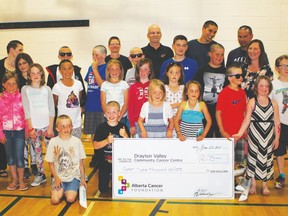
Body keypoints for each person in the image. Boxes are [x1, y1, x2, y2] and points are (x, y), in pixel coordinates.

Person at [233, 75, 280, 196]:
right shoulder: (252, 102)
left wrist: (277, 139)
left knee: (267, 160)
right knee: (253, 159)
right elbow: (247, 120)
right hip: (254, 136)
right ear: (256, 87)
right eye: (261, 85)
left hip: (269, 137)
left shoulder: (274, 104)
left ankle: (264, 185)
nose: (264, 88)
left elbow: (277, 122)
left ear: (269, 88)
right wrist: (239, 133)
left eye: (266, 86)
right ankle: (253, 184)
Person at [21, 63, 55, 187]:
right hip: (34, 127)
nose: (35, 75)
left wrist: (51, 127)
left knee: (51, 152)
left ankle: (53, 174)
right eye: (33, 73)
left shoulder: (47, 89)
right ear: (29, 75)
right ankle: (41, 174)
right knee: (37, 153)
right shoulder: (25, 89)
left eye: (38, 73)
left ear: (41, 75)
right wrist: (30, 128)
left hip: (47, 126)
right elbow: (26, 110)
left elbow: (51, 109)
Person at [45, 115, 87, 204]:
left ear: (72, 127)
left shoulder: (77, 141)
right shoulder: (53, 142)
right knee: (55, 200)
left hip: (73, 177)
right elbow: (50, 163)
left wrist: (83, 178)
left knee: (70, 199)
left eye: (68, 125)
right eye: (62, 126)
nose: (66, 128)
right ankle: (61, 190)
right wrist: (56, 179)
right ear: (57, 128)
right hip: (58, 178)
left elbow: (80, 163)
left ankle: (72, 189)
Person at [93, 101, 130, 193]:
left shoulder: (123, 127)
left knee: (120, 189)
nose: (111, 115)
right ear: (105, 114)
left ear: (119, 113)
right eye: (108, 112)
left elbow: (129, 147)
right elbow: (95, 146)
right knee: (103, 190)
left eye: (114, 112)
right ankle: (108, 177)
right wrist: (106, 141)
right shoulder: (100, 128)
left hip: (119, 163)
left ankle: (114, 177)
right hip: (104, 163)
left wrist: (125, 136)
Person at [0, 72, 27, 191]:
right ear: (3, 85)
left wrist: (26, 129)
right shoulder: (1, 99)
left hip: (19, 131)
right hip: (6, 132)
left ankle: (21, 180)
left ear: (17, 84)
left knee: (19, 157)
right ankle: (14, 179)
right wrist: (0, 133)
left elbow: (26, 114)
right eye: (8, 84)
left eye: (14, 84)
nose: (11, 87)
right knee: (10, 158)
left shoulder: (22, 97)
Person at [0, 40, 23, 177]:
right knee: (4, 140)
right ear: (11, 50)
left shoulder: (20, 66)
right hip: (3, 106)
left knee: (19, 148)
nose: (21, 52)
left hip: (17, 110)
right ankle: (2, 166)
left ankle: (21, 170)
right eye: (19, 50)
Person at [216, 65, 247, 165]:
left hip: (240, 133)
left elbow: (244, 112)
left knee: (239, 161)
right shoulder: (224, 93)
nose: (241, 78)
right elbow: (218, 113)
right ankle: (228, 180)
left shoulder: (242, 92)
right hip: (228, 134)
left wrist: (245, 129)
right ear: (229, 78)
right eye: (237, 75)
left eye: (242, 75)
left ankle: (235, 180)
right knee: (228, 160)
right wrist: (222, 130)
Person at [194, 43, 226, 138]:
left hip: (221, 112)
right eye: (217, 54)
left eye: (222, 54)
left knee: (221, 137)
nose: (220, 57)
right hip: (205, 111)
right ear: (210, 54)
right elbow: (196, 89)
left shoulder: (226, 71)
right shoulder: (201, 70)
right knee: (205, 137)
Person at [83, 45, 107, 167]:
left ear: (104, 55)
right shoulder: (90, 67)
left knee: (101, 133)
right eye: (93, 54)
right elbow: (89, 83)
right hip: (91, 105)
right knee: (92, 132)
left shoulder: (107, 68)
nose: (94, 57)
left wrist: (95, 69)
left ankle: (102, 155)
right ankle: (95, 154)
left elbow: (102, 85)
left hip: (101, 105)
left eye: (96, 54)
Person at [46, 46, 86, 117]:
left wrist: (82, 107)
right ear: (59, 56)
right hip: (59, 114)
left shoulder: (76, 71)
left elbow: (81, 94)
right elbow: (50, 95)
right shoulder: (53, 72)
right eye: (62, 54)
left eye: (68, 54)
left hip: (74, 113)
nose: (65, 56)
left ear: (71, 56)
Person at [15, 53, 37, 178]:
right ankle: (25, 166)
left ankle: (34, 163)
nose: (22, 66)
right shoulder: (16, 79)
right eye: (20, 64)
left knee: (34, 139)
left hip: (33, 113)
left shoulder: (34, 77)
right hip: (19, 114)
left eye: (24, 63)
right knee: (23, 141)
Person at [52, 60, 84, 139]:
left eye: (69, 68)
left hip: (76, 123)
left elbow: (79, 99)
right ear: (60, 71)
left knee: (75, 148)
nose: (67, 71)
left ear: (73, 69)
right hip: (63, 124)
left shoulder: (78, 84)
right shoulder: (57, 87)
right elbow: (54, 104)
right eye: (64, 69)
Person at [270, 55, 288, 189]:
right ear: (277, 68)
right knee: (280, 150)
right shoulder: (273, 85)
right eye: (283, 65)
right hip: (281, 123)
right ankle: (281, 175)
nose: (286, 68)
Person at [128, 58, 154, 137]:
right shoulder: (133, 87)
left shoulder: (154, 85)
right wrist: (132, 124)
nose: (143, 72)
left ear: (150, 71)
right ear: (137, 71)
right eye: (140, 69)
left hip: (152, 121)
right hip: (137, 121)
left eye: (146, 69)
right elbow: (131, 107)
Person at [100, 59, 129, 126]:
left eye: (117, 69)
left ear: (121, 70)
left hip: (121, 117)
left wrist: (119, 117)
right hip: (108, 117)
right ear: (108, 71)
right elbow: (103, 104)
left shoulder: (124, 84)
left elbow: (126, 103)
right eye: (112, 69)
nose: (114, 71)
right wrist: (109, 116)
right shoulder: (104, 85)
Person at [162, 62, 185, 137]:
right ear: (167, 73)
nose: (174, 75)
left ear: (180, 74)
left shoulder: (183, 88)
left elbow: (185, 105)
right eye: (171, 72)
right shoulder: (163, 88)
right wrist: (178, 104)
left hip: (181, 121)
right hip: (167, 120)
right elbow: (162, 106)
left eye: (177, 73)